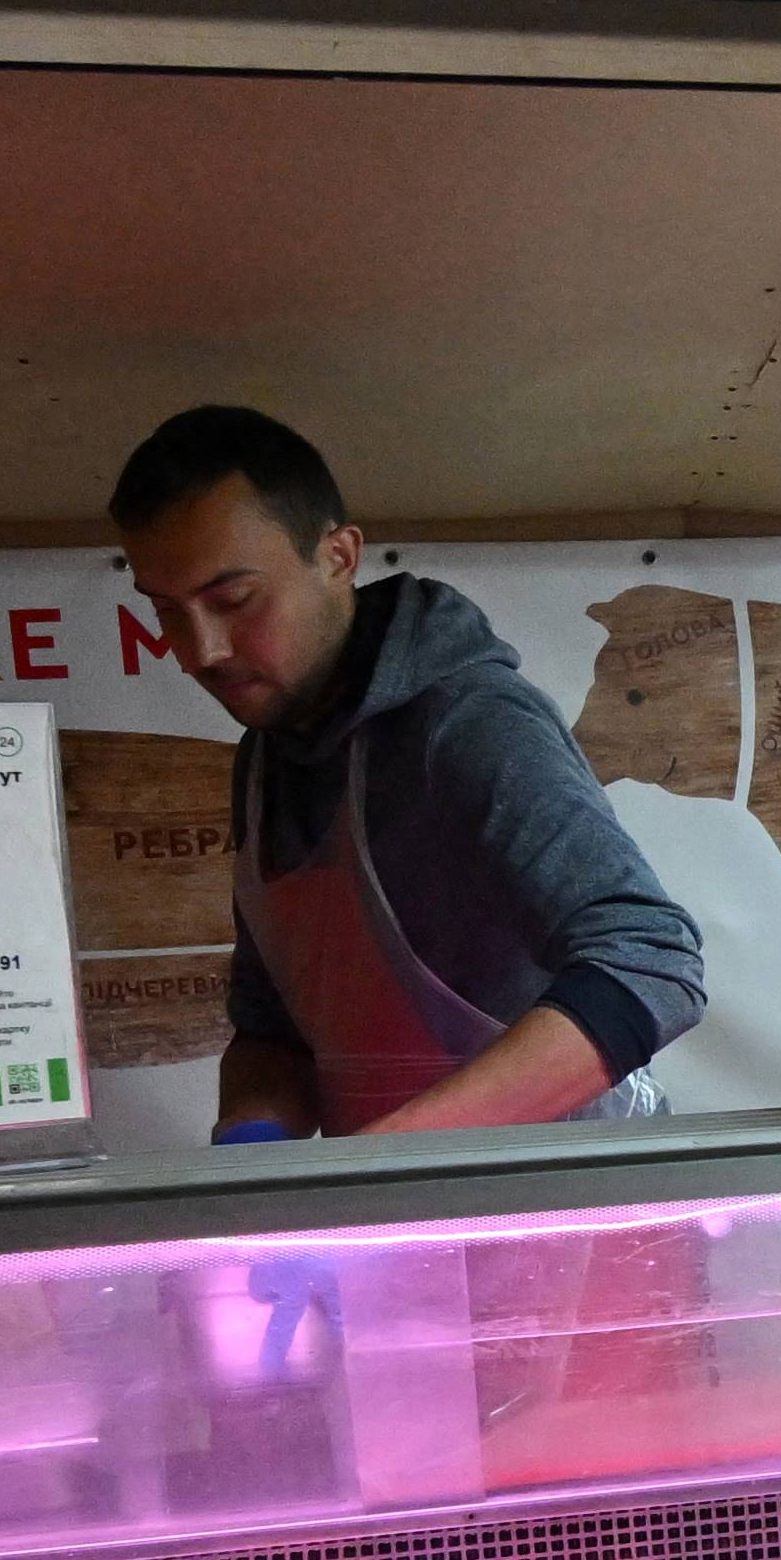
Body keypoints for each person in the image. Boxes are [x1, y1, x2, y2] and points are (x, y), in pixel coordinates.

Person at [116, 403, 709, 1134]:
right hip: (400, 1217)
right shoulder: (265, 759)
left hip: (565, 1215)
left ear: (338, 556)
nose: (200, 649)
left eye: (233, 600)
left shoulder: (466, 720)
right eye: (168, 611)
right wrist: (255, 1161)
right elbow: (272, 1029)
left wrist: (386, 1163)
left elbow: (651, 963)